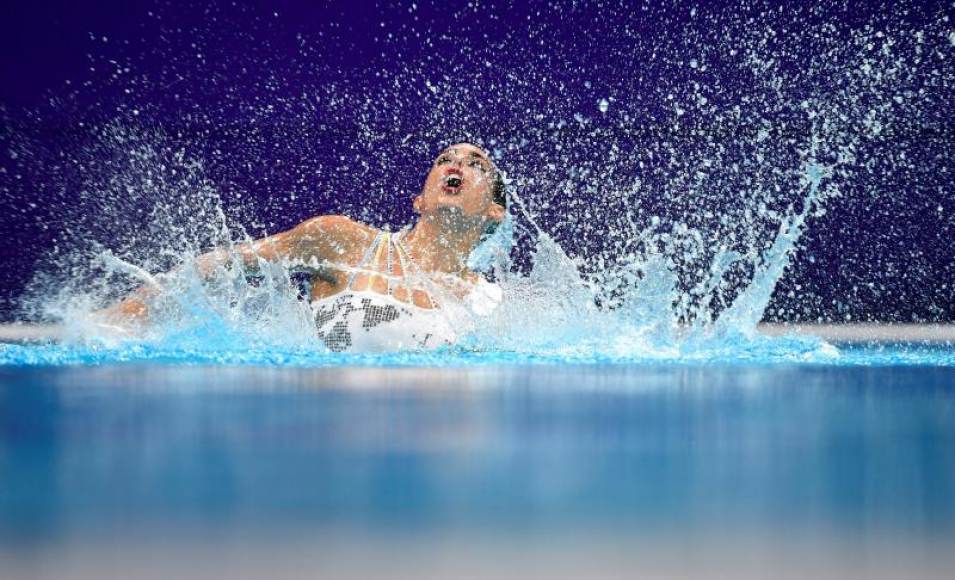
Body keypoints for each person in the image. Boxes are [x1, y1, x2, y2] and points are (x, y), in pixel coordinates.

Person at [101, 142, 509, 352]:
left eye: (476, 165)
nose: (455, 165)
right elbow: (216, 269)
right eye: (443, 159)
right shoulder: (344, 242)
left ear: (495, 211)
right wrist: (118, 320)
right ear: (418, 201)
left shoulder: (491, 303)